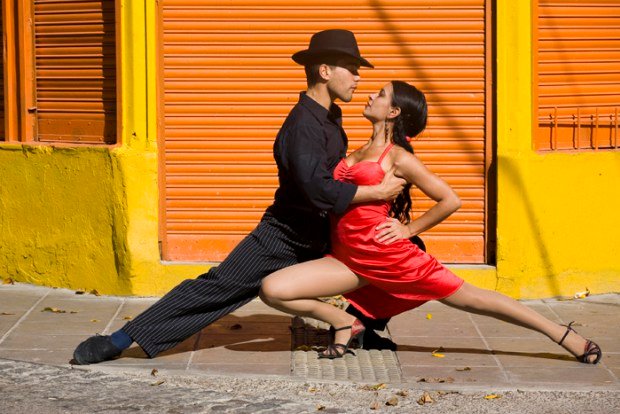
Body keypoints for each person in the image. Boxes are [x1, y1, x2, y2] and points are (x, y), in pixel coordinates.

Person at [71, 29, 407, 365]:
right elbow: (317, 189)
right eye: (351, 67)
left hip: (323, 230)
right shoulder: (304, 125)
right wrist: (375, 192)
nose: (358, 78)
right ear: (324, 71)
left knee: (403, 253)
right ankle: (118, 340)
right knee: (217, 286)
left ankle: (366, 326)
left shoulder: (330, 116)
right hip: (285, 236)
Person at [259, 80, 603, 364]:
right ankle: (346, 322)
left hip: (390, 258)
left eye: (380, 94)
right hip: (349, 260)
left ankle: (564, 335)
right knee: (273, 290)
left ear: (393, 112)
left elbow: (450, 199)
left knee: (477, 299)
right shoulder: (354, 149)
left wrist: (408, 230)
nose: (369, 95)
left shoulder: (397, 157)